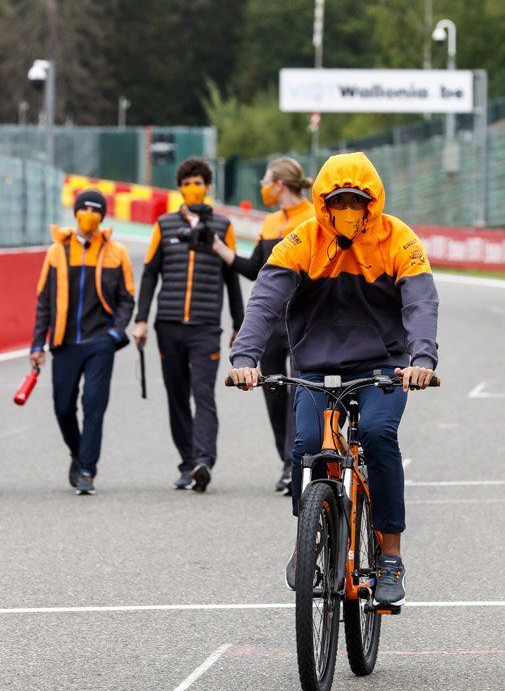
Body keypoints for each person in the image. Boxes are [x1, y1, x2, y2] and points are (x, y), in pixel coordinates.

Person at [227, 152, 438, 607]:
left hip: (383, 366)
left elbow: (420, 303)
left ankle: (389, 557)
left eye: (355, 201)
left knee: (379, 437)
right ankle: (309, 542)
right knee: (304, 448)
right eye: (337, 200)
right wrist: (245, 356)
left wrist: (423, 358)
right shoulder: (300, 239)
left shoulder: (397, 238)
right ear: (323, 202)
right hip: (316, 367)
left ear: (371, 202)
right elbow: (264, 300)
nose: (346, 209)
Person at [133, 157, 244, 492]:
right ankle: (187, 463)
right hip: (168, 325)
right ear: (179, 188)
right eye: (186, 183)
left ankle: (204, 461)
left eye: (198, 182)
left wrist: (240, 325)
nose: (192, 187)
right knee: (177, 395)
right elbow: (150, 274)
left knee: (203, 393)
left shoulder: (223, 227)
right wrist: (141, 319)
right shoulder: (164, 225)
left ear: (207, 186)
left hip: (206, 326)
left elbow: (232, 278)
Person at [212, 157, 313, 494]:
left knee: (300, 391)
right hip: (270, 322)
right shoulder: (270, 223)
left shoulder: (313, 218)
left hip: (302, 320)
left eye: (267, 180)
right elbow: (255, 268)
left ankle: (296, 461)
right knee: (272, 390)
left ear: (280, 184)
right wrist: (219, 249)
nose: (263, 187)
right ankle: (286, 461)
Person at [30, 189, 135, 495]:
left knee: (93, 404)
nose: (89, 215)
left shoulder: (117, 252)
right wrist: (38, 344)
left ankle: (87, 469)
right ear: (75, 212)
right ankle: (78, 453)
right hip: (63, 342)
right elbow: (43, 301)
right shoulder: (56, 252)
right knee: (63, 407)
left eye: (96, 211)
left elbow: (127, 299)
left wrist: (115, 333)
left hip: (100, 342)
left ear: (102, 217)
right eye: (84, 209)